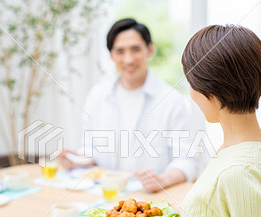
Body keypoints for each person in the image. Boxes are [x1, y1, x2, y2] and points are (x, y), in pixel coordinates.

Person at [132, 25, 261, 217]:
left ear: (211, 93)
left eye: (191, 83)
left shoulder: (238, 170)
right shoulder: (255, 148)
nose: (190, 93)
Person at [59, 18, 200, 193]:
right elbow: (91, 152)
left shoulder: (171, 100)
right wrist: (77, 161)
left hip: (151, 199)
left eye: (135, 49)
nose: (128, 59)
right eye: (120, 51)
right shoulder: (97, 95)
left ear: (149, 49)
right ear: (111, 55)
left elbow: (187, 161)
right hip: (104, 196)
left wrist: (162, 179)